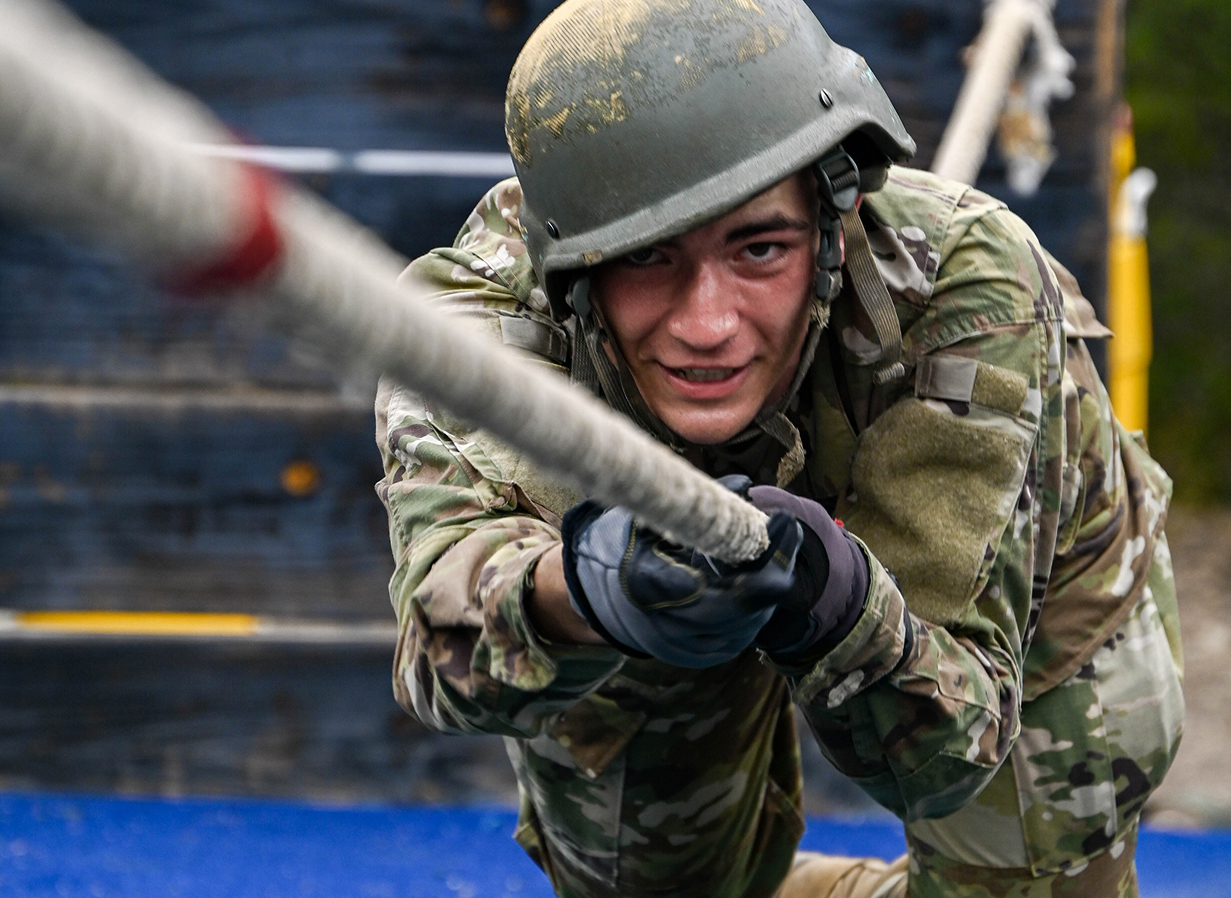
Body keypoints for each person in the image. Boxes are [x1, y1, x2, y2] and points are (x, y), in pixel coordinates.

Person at [375, 0, 1184, 895]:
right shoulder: (483, 329)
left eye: (759, 249)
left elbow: (943, 751)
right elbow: (450, 663)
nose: (707, 325)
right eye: (646, 259)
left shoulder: (968, 291)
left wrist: (834, 602)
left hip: (1024, 616)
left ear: (832, 227)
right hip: (639, 620)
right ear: (570, 268)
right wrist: (598, 591)